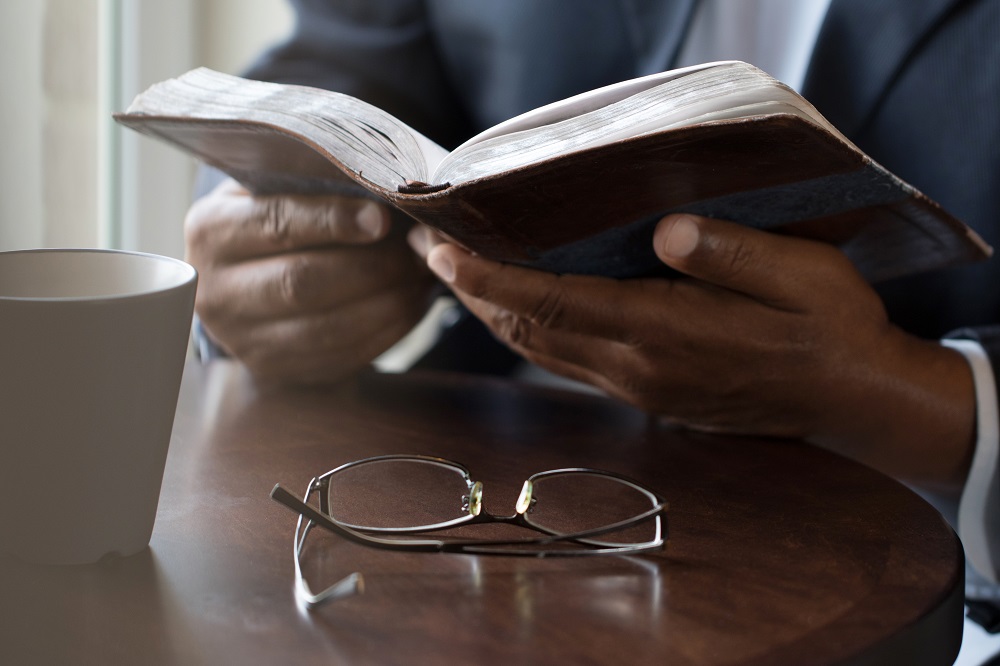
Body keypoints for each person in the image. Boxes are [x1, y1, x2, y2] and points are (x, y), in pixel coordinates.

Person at [184, 1, 1000, 661]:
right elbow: (347, 57)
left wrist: (896, 398)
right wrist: (264, 238)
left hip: (915, 593)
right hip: (449, 518)